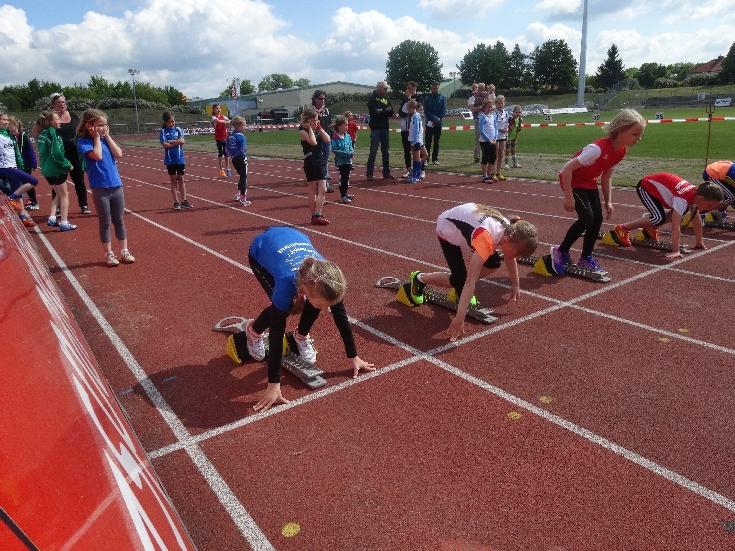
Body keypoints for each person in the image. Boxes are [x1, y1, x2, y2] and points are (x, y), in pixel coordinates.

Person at [244, 226, 375, 410]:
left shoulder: (330, 280)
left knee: (316, 303)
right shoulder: (286, 282)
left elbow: (341, 317)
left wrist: (354, 356)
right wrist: (273, 383)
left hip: (294, 239)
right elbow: (276, 333)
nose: (327, 311)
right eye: (324, 306)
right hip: (262, 249)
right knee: (282, 309)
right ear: (304, 289)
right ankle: (254, 331)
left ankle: (300, 335)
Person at [407, 203, 537, 341]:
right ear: (506, 240)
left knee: (493, 263)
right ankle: (419, 278)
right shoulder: (486, 240)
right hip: (447, 228)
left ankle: (459, 291)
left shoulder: (510, 229)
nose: (516, 258)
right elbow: (470, 282)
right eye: (517, 254)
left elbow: (510, 257)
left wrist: (515, 284)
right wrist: (459, 319)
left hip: (469, 225)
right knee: (461, 280)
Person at [550, 108, 646, 275]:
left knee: (597, 219)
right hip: (573, 180)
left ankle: (585, 257)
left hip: (589, 182)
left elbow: (606, 176)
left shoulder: (621, 150)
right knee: (587, 217)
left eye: (640, 135)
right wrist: (568, 197)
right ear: (621, 130)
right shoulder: (596, 149)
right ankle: (560, 251)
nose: (638, 139)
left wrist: (608, 201)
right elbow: (566, 170)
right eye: (635, 134)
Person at [608, 173, 723, 259]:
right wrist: (675, 250)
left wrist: (699, 242)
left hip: (659, 187)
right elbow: (675, 227)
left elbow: (696, 219)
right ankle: (622, 228)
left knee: (678, 212)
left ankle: (651, 227)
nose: (710, 209)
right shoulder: (683, 199)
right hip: (646, 187)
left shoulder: (697, 194)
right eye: (710, 205)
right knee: (658, 218)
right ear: (701, 198)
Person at [76, 109, 135, 267]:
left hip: (116, 186)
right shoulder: (83, 142)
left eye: (106, 125)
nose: (104, 128)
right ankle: (109, 253)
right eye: (101, 125)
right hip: (100, 188)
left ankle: (124, 250)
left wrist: (107, 136)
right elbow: (97, 156)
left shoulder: (106, 140)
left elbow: (119, 154)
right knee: (105, 222)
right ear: (89, 125)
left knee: (119, 220)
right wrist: (96, 138)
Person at [49, 93, 91, 214]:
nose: (62, 104)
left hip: (75, 154)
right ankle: (57, 208)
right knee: (59, 182)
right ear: (53, 105)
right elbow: (40, 133)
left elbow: (81, 130)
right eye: (58, 102)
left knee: (79, 181)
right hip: (59, 155)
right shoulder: (51, 118)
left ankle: (84, 205)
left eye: (63, 102)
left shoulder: (74, 116)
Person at [36, 110, 76, 231]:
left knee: (58, 194)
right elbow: (56, 153)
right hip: (56, 169)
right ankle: (64, 222)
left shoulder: (43, 133)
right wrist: (67, 164)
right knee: (64, 195)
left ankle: (52, 218)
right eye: (57, 119)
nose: (60, 121)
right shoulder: (52, 134)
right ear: (51, 121)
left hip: (47, 170)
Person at [0, 111, 38, 227]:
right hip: (5, 167)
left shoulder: (9, 135)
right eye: (3, 120)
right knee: (33, 181)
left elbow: (15, 148)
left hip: (13, 165)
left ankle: (23, 217)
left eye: (7, 120)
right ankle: (10, 199)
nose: (6, 122)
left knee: (19, 193)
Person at [299, 107, 331, 225]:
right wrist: (309, 128)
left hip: (320, 160)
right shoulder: (303, 131)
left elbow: (327, 140)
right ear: (307, 121)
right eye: (313, 121)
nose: (316, 122)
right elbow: (313, 142)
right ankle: (315, 215)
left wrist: (320, 128)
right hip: (310, 161)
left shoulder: (318, 130)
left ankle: (317, 214)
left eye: (317, 120)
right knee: (313, 189)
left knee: (323, 189)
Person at [159, 111, 191, 210]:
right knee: (173, 181)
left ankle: (184, 201)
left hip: (180, 159)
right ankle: (176, 202)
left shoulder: (178, 129)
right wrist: (177, 142)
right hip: (170, 160)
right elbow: (165, 145)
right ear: (165, 122)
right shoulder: (163, 131)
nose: (172, 123)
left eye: (173, 121)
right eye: (170, 122)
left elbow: (183, 141)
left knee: (181, 179)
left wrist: (172, 141)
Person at [366, 81, 395, 181]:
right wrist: (385, 110)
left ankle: (386, 173)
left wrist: (382, 110)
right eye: (385, 88)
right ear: (379, 87)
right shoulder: (372, 99)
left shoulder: (386, 99)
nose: (386, 90)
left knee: (386, 152)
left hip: (385, 128)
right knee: (373, 152)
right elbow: (375, 112)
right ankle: (369, 174)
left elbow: (391, 112)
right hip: (375, 129)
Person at [8, 117, 39, 210]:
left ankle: (34, 202)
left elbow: (30, 150)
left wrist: (33, 163)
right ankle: (20, 201)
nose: (11, 127)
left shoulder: (23, 136)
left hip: (25, 164)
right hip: (14, 163)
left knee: (27, 182)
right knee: (15, 183)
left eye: (12, 125)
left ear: (17, 125)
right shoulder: (8, 136)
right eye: (9, 126)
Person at [311, 90, 333, 192]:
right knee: (318, 161)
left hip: (326, 139)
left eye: (324, 98)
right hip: (315, 140)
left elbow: (329, 124)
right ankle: (319, 183)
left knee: (325, 161)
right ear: (315, 99)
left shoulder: (327, 111)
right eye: (320, 98)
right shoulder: (311, 111)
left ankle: (324, 183)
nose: (323, 100)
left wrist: (331, 135)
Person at [226, 116, 251, 206]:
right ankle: (243, 198)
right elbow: (242, 150)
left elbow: (227, 147)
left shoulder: (230, 136)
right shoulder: (241, 137)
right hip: (241, 158)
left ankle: (238, 194)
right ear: (238, 126)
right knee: (244, 177)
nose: (245, 127)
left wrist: (231, 155)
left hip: (234, 159)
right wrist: (236, 155)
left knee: (241, 176)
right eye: (244, 125)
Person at [330, 116, 354, 203]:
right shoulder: (335, 137)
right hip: (341, 162)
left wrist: (351, 152)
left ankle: (345, 194)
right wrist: (347, 154)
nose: (347, 127)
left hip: (348, 161)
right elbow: (335, 150)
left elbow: (351, 146)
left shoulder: (348, 136)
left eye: (347, 125)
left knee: (347, 179)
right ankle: (343, 195)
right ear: (339, 126)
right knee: (343, 179)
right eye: (345, 125)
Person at [398, 82, 418, 179]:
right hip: (405, 130)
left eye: (410, 88)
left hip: (413, 130)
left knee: (416, 150)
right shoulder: (404, 100)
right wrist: (407, 99)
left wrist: (409, 99)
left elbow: (414, 112)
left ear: (415, 89)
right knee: (407, 150)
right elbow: (401, 113)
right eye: (407, 89)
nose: (408, 90)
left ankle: (418, 169)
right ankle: (409, 169)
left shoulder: (418, 98)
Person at [423, 82, 446, 165]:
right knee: (428, 142)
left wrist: (438, 118)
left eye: (436, 88)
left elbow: (444, 110)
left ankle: (435, 159)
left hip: (438, 123)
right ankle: (426, 159)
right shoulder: (427, 98)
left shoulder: (442, 97)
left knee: (437, 142)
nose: (435, 89)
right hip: (429, 122)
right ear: (431, 88)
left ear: (438, 88)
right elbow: (425, 110)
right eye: (433, 88)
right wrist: (434, 118)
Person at [406, 100, 427, 184]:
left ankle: (416, 176)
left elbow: (416, 130)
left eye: (408, 107)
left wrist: (416, 141)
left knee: (419, 157)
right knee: (416, 158)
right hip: (415, 141)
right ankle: (415, 174)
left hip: (416, 141)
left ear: (412, 107)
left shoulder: (416, 116)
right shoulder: (414, 116)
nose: (407, 109)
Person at [478, 99, 497, 183]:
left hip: (493, 141)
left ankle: (489, 175)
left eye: (491, 107)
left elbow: (496, 127)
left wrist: (495, 138)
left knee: (493, 157)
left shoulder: (493, 116)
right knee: (485, 158)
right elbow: (481, 130)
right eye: (488, 107)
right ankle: (484, 176)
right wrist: (488, 140)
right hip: (485, 141)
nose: (489, 108)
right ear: (484, 107)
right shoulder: (483, 117)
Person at [211, 104, 231, 177]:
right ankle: (221, 169)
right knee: (221, 152)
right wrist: (226, 122)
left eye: (219, 108)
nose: (219, 109)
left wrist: (227, 124)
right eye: (217, 108)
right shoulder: (213, 117)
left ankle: (228, 168)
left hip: (225, 137)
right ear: (213, 110)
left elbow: (229, 122)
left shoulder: (224, 116)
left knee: (226, 152)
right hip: (218, 138)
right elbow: (219, 121)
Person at [493, 95, 509, 181]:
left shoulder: (506, 113)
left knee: (501, 155)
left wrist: (507, 129)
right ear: (495, 104)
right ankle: (493, 173)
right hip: (496, 136)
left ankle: (498, 173)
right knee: (495, 156)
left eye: (501, 103)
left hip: (503, 136)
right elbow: (492, 126)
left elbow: (507, 124)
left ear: (504, 103)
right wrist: (500, 129)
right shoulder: (494, 114)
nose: (500, 105)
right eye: (498, 103)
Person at [471, 83, 488, 163]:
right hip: (477, 119)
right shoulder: (472, 97)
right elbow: (472, 109)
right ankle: (477, 156)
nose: (477, 89)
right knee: (478, 138)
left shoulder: (486, 95)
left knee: (486, 138)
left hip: (486, 119)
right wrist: (482, 106)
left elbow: (491, 106)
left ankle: (485, 156)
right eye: (475, 88)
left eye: (478, 87)